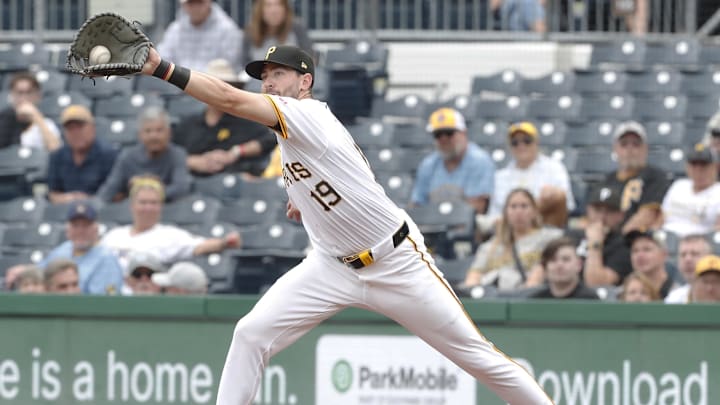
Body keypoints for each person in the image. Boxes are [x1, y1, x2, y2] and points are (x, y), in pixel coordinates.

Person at [137, 45, 553, 403]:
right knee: (250, 334)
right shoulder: (292, 132)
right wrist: (304, 202)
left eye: (277, 74)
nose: (268, 83)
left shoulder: (306, 114)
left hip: (395, 263)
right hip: (331, 267)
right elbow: (339, 177)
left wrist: (162, 68)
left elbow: (228, 99)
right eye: (264, 77)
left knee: (477, 356)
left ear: (305, 82)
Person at [100, 176, 241, 271]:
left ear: (161, 206)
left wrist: (224, 243)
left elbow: (198, 246)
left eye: (153, 203)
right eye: (143, 202)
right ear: (132, 205)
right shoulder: (114, 235)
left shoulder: (168, 235)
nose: (148, 208)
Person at [173, 59, 276, 177]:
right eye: (211, 88)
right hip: (191, 188)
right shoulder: (188, 124)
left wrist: (237, 152)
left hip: (236, 188)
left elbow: (271, 138)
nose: (217, 93)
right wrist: (193, 162)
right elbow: (167, 154)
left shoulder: (246, 121)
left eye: (223, 87)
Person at [463, 188, 562, 291]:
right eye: (513, 207)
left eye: (524, 206)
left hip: (527, 296)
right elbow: (475, 273)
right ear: (506, 212)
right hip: (492, 295)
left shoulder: (550, 238)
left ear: (534, 211)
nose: (518, 212)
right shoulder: (490, 246)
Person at [488, 121, 574, 228]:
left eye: (527, 141)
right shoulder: (500, 177)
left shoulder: (554, 168)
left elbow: (567, 205)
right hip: (509, 231)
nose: (521, 146)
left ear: (536, 143)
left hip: (545, 228)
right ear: (510, 147)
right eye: (515, 143)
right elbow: (494, 214)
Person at [96, 106, 192, 202]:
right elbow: (109, 190)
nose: (154, 136)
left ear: (169, 133)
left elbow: (181, 188)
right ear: (140, 135)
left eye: (159, 130)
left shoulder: (177, 155)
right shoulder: (128, 156)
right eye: (148, 131)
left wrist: (148, 188)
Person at [410, 107, 494, 215]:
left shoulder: (479, 161)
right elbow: (417, 204)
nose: (444, 139)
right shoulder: (428, 164)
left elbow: (477, 208)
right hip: (430, 226)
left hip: (465, 229)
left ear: (463, 133)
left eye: (449, 133)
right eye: (438, 134)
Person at [597, 121, 671, 235]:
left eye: (636, 144)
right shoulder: (607, 180)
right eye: (624, 144)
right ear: (615, 149)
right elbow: (593, 216)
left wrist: (620, 239)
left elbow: (648, 215)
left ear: (645, 149)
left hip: (635, 237)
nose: (630, 149)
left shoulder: (655, 176)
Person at [41, 200, 123, 295]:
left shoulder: (107, 258)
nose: (80, 231)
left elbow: (103, 303)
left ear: (96, 229)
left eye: (85, 226)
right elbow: (40, 275)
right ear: (68, 229)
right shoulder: (63, 249)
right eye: (75, 226)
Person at [47, 105, 118, 204]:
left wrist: (88, 200)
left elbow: (118, 194)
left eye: (80, 127)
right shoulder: (57, 156)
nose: (76, 133)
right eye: (70, 128)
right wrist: (69, 198)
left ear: (92, 128)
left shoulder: (109, 155)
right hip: (66, 212)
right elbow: (53, 193)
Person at [157, 0, 242, 71]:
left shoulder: (227, 29)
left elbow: (228, 68)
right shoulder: (174, 29)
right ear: (183, 5)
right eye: (191, 3)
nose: (195, 8)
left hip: (214, 87)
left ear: (209, 2)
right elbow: (163, 59)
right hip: (177, 86)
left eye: (199, 2)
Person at [661, 143, 720, 237]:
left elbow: (717, 230)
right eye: (694, 165)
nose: (698, 171)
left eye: (703, 166)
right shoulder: (678, 186)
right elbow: (661, 217)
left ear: (715, 167)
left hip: (698, 243)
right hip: (668, 238)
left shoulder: (717, 192)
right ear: (687, 167)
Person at [581, 183, 633, 287]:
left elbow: (596, 284)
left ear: (621, 215)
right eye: (597, 210)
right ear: (588, 210)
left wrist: (595, 244)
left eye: (610, 211)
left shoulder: (625, 244)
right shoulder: (572, 236)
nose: (602, 217)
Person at [241, 0, 314, 68]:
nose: (274, 10)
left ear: (285, 9)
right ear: (260, 10)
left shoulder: (297, 28)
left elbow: (309, 60)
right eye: (268, 5)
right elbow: (243, 65)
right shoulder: (250, 32)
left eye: (278, 5)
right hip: (259, 79)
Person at [0, 71, 61, 151]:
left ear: (38, 96)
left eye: (29, 92)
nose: (24, 98)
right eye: (19, 93)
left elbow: (56, 150)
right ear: (12, 95)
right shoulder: (3, 119)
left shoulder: (46, 124)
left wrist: (36, 116)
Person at [528, 237, 599, 299]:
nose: (559, 265)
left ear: (579, 265)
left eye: (566, 259)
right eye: (553, 260)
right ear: (545, 267)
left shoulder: (591, 301)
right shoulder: (536, 301)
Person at [625, 229, 679, 299]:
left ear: (664, 254)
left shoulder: (678, 295)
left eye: (647, 249)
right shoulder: (623, 293)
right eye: (635, 250)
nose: (640, 255)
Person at [665, 234, 712, 304]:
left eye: (695, 254)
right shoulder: (674, 298)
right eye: (683, 255)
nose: (688, 259)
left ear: (709, 258)